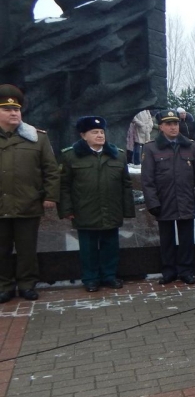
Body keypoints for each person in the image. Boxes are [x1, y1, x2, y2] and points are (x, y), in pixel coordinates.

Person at [58, 117, 134, 291]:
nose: (100, 135)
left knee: (110, 246)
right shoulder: (70, 156)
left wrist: (127, 209)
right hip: (85, 209)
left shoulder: (118, 155)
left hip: (112, 208)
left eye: (101, 132)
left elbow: (126, 184)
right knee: (88, 248)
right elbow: (64, 186)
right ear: (83, 135)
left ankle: (109, 276)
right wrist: (67, 209)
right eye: (94, 132)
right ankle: (90, 278)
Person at [0, 84, 59, 303]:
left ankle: (26, 285)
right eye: (7, 109)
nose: (14, 113)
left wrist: (50, 196)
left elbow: (51, 170)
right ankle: (4, 286)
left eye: (16, 109)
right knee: (1, 251)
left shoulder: (37, 138)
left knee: (27, 250)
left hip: (27, 203)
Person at [141, 109, 195, 285]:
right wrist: (152, 202)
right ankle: (168, 270)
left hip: (185, 199)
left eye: (175, 123)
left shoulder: (190, 146)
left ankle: (186, 270)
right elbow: (147, 179)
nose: (173, 127)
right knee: (166, 238)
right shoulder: (151, 147)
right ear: (161, 126)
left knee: (186, 238)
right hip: (164, 200)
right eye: (168, 124)